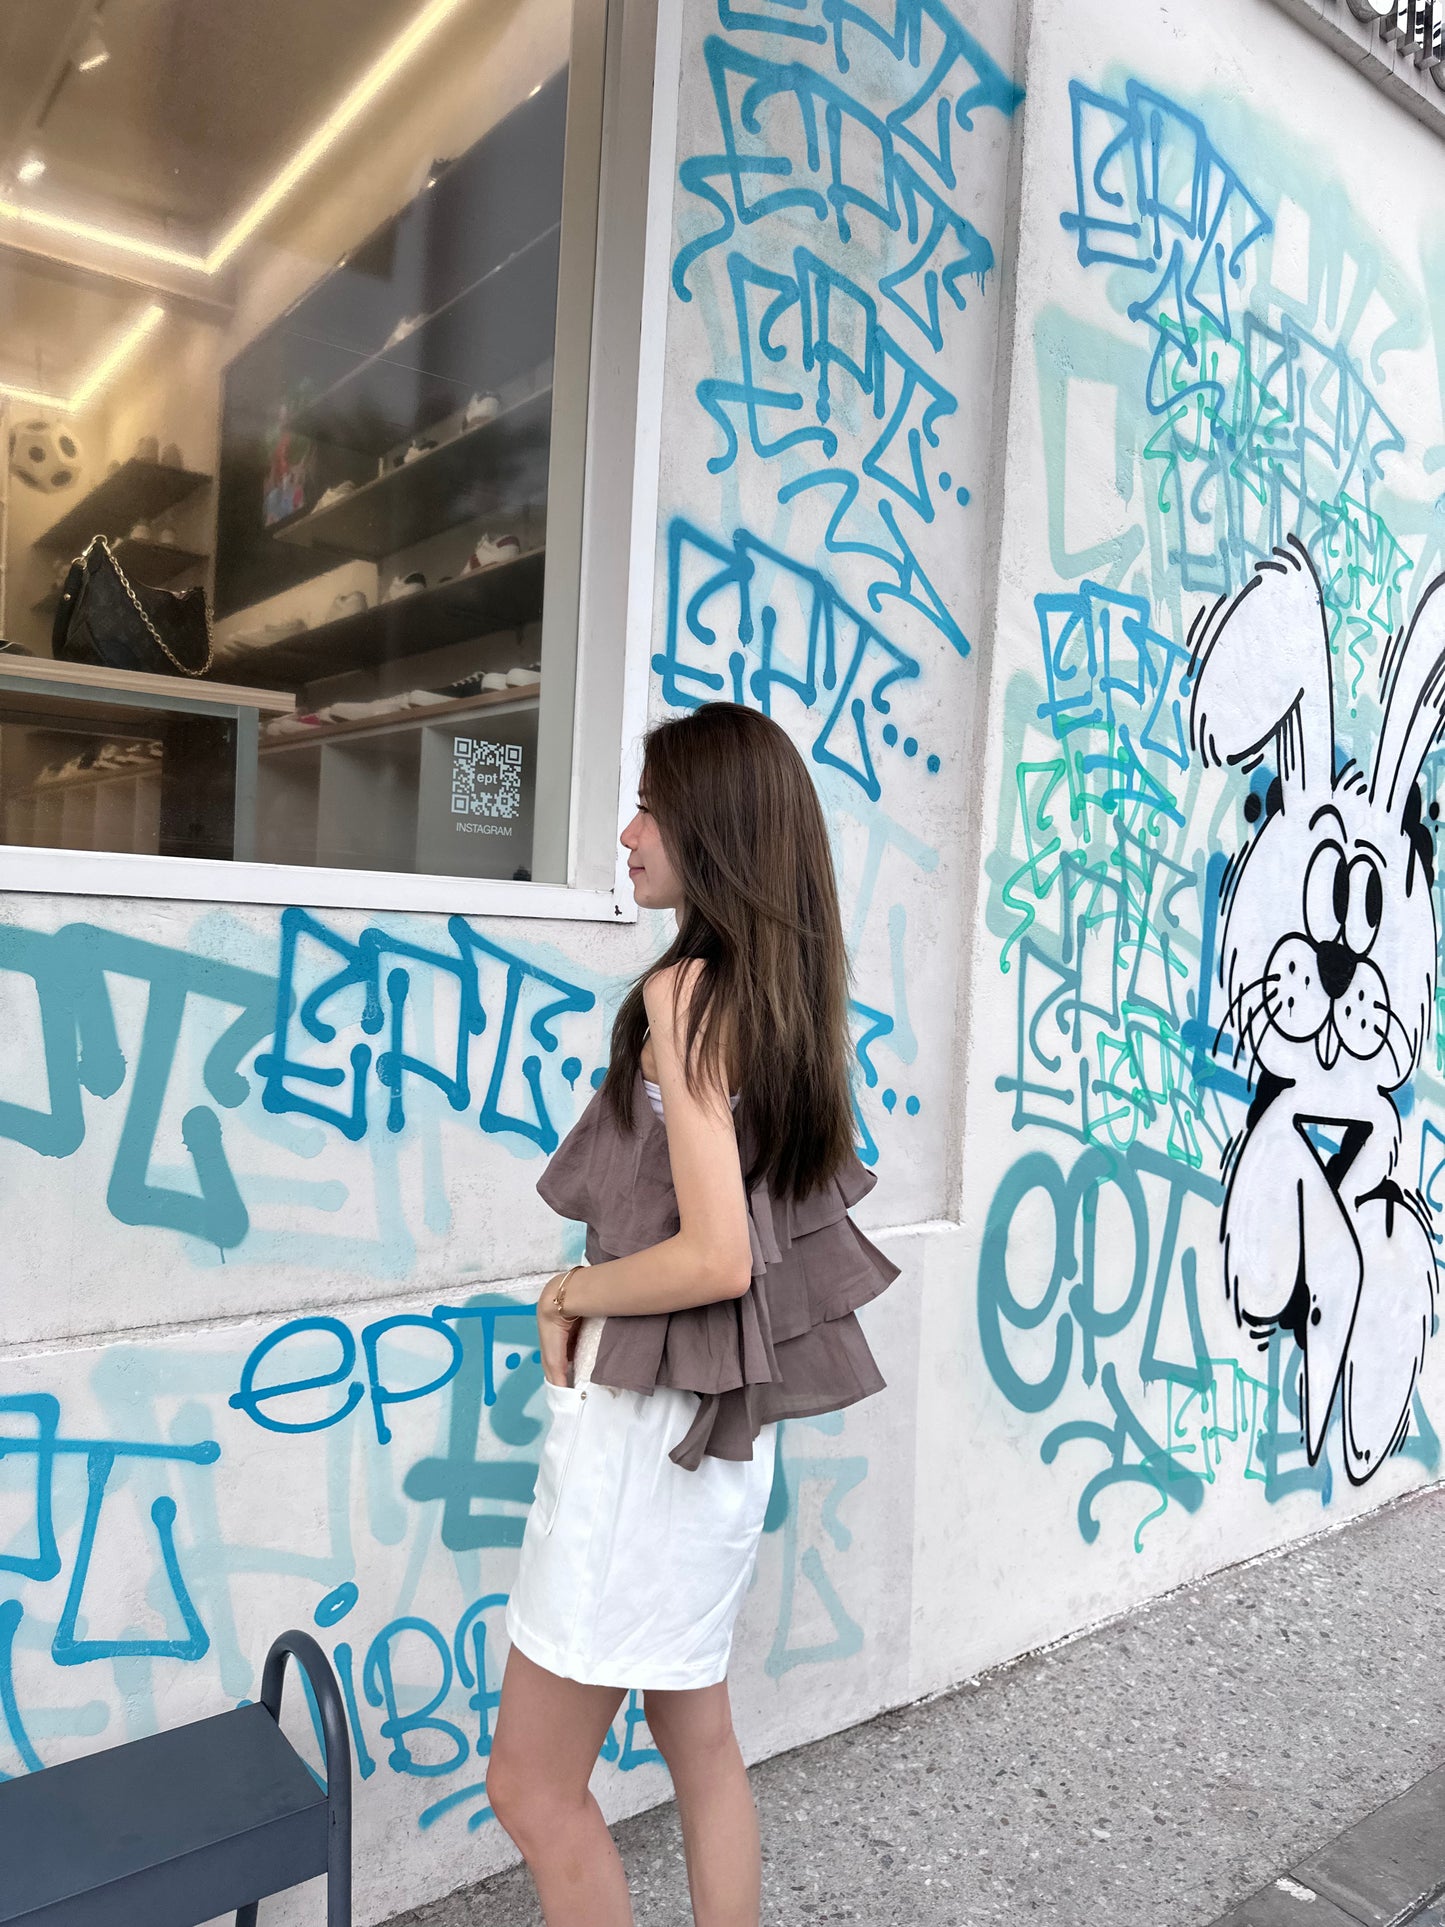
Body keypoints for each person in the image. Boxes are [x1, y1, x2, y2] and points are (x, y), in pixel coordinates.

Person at [487, 702, 900, 1926]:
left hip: (644, 1449)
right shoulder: (772, 1004)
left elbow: (719, 1255)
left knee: (530, 1786)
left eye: (651, 806)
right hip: (710, 1447)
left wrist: (568, 1292)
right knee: (699, 1739)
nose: (625, 832)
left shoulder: (686, 996)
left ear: (711, 828)